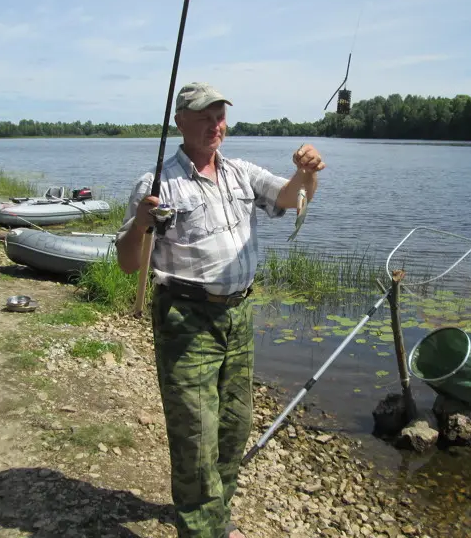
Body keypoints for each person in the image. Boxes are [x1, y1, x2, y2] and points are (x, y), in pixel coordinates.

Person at [115, 82, 325, 538]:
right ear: (181, 122)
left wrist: (308, 172)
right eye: (205, 116)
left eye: (220, 116)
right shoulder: (155, 185)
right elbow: (129, 262)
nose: (216, 125)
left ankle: (214, 518)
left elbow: (290, 197)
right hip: (185, 318)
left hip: (238, 315)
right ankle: (202, 530)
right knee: (195, 435)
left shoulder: (241, 173)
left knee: (233, 426)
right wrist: (141, 224)